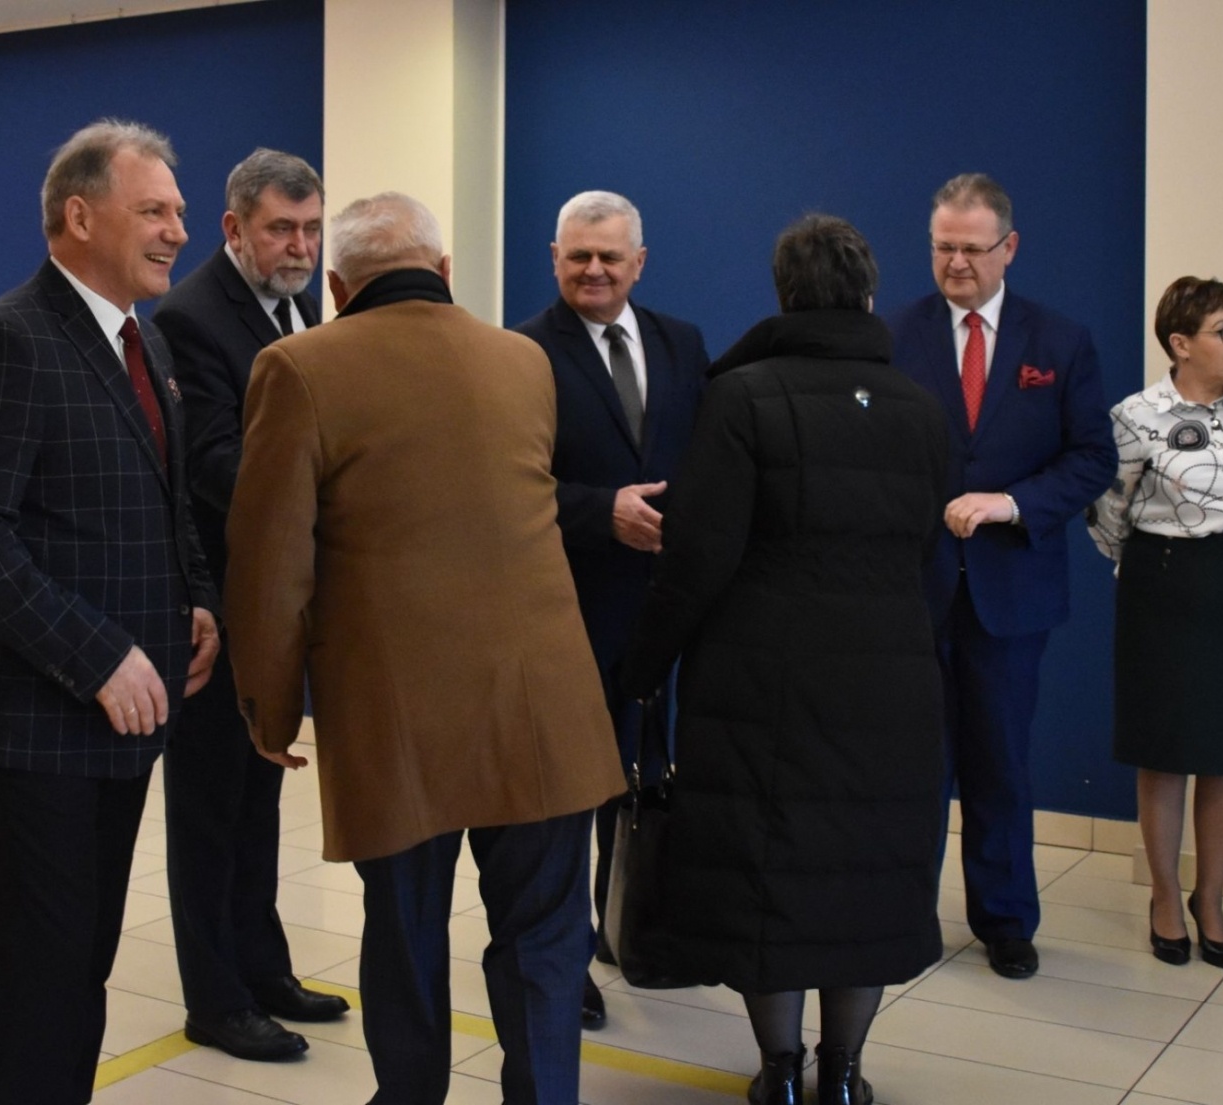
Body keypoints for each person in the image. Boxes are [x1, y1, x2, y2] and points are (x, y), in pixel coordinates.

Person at [223, 192, 626, 1105]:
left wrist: (270, 710)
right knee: (543, 936)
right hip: (543, 702)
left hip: (395, 712)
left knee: (404, 930)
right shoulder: (524, 359)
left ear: (337, 285)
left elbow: (271, 562)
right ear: (444, 271)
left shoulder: (297, 366)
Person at [0, 119, 219, 1105]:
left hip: (121, 721)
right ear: (80, 217)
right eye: (155, 210)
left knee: (83, 965)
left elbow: (164, 500)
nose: (179, 231)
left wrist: (196, 600)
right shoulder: (6, 342)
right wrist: (97, 655)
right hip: (32, 722)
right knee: (43, 980)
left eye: (179, 211)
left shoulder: (144, 339)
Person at [620, 215, 950, 1105]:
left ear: (784, 293)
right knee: (866, 877)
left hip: (761, 684)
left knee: (764, 877)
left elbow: (698, 557)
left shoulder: (743, 397)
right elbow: (932, 557)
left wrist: (640, 668)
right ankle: (842, 1072)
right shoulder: (919, 407)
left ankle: (779, 1071)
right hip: (890, 682)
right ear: (868, 293)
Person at [888, 172, 1117, 980]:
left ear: (1009, 247)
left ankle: (1006, 919)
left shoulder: (1058, 342)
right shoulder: (894, 335)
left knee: (1001, 764)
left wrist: (1011, 503)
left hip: (1011, 589)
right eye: (942, 247)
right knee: (914, 768)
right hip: (914, 592)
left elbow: (1093, 457)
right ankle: (903, 918)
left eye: (972, 248)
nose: (956, 262)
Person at [152, 148, 347, 1061]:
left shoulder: (299, 307)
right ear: (235, 228)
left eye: (311, 229)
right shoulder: (192, 317)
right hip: (214, 602)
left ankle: (263, 968)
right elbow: (214, 464)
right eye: (281, 230)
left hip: (273, 601)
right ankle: (216, 996)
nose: (300, 246)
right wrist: (329, 502)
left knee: (257, 798)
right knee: (208, 808)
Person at [513, 189, 708, 1028]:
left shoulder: (682, 343)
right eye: (578, 256)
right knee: (568, 797)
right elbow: (507, 484)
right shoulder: (521, 352)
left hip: (663, 612)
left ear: (640, 262)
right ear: (554, 258)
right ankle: (563, 958)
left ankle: (624, 927)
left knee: (645, 784)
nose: (594, 270)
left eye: (610, 256)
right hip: (567, 611)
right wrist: (602, 512)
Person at [1088, 276, 1223, 969]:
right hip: (1163, 583)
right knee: (1166, 749)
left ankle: (1212, 900)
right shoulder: (1136, 415)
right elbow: (1108, 513)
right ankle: (1165, 899)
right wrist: (1167, 560)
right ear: (1180, 344)